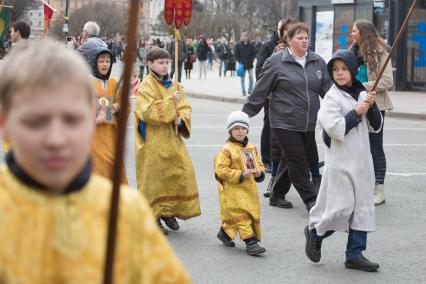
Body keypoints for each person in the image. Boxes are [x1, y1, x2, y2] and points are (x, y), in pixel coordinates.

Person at [0, 40, 191, 283]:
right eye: (36, 121)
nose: (56, 139)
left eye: (72, 119)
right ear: (5, 124)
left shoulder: (127, 212)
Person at [305, 49, 382, 272]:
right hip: (340, 161)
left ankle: (355, 254)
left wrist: (372, 105)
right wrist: (357, 112)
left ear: (353, 70)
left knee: (361, 207)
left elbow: (376, 127)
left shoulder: (361, 93)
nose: (339, 73)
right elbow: (335, 128)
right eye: (335, 69)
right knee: (341, 208)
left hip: (361, 160)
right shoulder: (331, 97)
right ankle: (314, 232)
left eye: (344, 69)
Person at [242, 22, 331, 211]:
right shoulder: (276, 61)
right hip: (283, 122)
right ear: (288, 40)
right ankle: (311, 200)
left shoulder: (317, 62)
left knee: (287, 159)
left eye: (306, 37)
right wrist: (244, 115)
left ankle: (276, 194)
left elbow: (329, 92)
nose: (304, 41)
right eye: (300, 38)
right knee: (298, 160)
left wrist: (348, 107)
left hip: (307, 122)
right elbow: (260, 90)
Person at [135, 47, 201, 234]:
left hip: (172, 139)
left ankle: (167, 211)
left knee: (178, 173)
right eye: (161, 63)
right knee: (154, 178)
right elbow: (146, 112)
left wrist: (181, 118)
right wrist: (171, 103)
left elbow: (185, 106)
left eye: (167, 62)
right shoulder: (146, 86)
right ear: (150, 64)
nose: (165, 66)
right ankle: (152, 216)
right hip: (153, 141)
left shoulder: (174, 85)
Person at [350, 20, 393, 205]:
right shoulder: (353, 52)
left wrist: (361, 87)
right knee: (355, 146)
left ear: (364, 33)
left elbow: (387, 81)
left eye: (354, 31)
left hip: (375, 106)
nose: (352, 34)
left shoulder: (380, 52)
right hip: (355, 105)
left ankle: (379, 188)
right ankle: (358, 185)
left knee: (375, 147)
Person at [214, 111, 266, 256]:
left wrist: (259, 173)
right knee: (241, 214)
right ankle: (251, 242)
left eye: (243, 128)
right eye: (236, 128)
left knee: (247, 213)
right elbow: (220, 169)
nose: (240, 131)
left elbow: (259, 163)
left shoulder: (251, 147)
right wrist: (239, 174)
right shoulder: (226, 149)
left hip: (249, 189)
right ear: (230, 130)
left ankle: (224, 233)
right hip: (233, 190)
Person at [255, 18, 297, 181]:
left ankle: (292, 162)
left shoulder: (296, 46)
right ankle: (267, 160)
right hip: (272, 95)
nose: (287, 32)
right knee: (270, 127)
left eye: (290, 29)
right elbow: (260, 70)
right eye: (284, 29)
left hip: (292, 97)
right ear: (279, 31)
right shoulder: (268, 46)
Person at [90, 47, 129, 184]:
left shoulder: (113, 83)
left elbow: (125, 104)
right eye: (101, 61)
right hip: (93, 136)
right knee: (97, 169)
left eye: (108, 61)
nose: (105, 64)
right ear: (94, 63)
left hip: (111, 135)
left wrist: (118, 107)